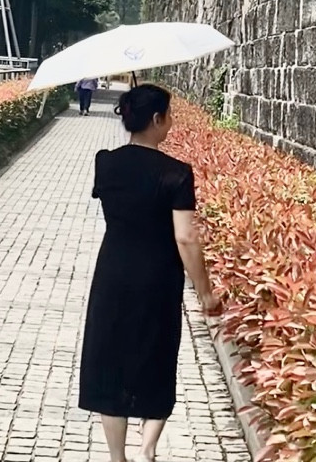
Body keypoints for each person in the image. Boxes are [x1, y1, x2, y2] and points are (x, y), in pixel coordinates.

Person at [78, 84, 222, 462]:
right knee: (156, 356)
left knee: (110, 359)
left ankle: (117, 457)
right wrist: (205, 292)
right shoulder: (177, 173)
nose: (171, 122)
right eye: (169, 116)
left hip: (113, 273)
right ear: (157, 119)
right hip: (158, 278)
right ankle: (147, 448)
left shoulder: (106, 162)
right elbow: (186, 238)